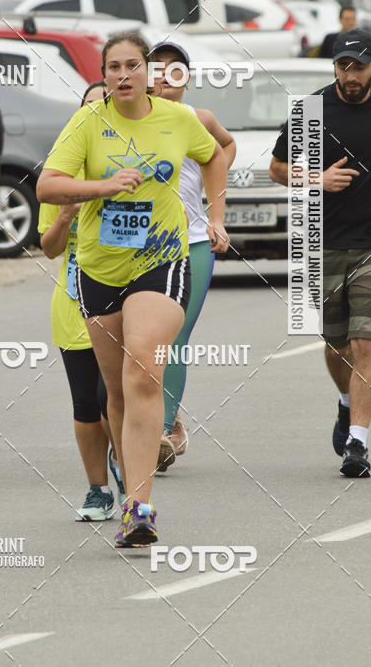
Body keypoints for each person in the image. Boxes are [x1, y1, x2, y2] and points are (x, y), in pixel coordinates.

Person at [37, 30, 229, 547]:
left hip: (161, 260)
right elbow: (47, 185)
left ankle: (140, 507)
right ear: (103, 75)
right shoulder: (87, 122)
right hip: (100, 269)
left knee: (143, 366)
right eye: (113, 67)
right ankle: (127, 494)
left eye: (132, 65)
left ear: (148, 71)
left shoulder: (179, 119)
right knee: (117, 390)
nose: (123, 75)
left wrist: (214, 215)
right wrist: (102, 186)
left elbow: (214, 155)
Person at [269, 28, 371, 477]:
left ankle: (357, 443)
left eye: (359, 66)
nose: (351, 75)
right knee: (337, 344)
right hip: (321, 243)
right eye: (343, 66)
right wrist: (316, 179)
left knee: (365, 341)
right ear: (335, 67)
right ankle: (346, 402)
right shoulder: (311, 110)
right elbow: (277, 169)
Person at [38, 80, 124, 521]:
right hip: (73, 303)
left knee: (114, 397)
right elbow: (49, 248)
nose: (94, 116)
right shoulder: (59, 179)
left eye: (101, 108)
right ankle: (98, 491)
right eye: (87, 108)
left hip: (121, 300)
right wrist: (66, 216)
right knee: (86, 405)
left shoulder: (128, 173)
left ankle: (130, 471)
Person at [149, 42, 236, 471]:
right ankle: (164, 415)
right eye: (157, 69)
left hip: (194, 241)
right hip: (142, 244)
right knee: (143, 341)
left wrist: (211, 196)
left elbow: (225, 147)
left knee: (175, 336)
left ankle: (162, 432)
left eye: (175, 70)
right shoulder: (133, 117)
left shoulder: (198, 119)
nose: (165, 77)